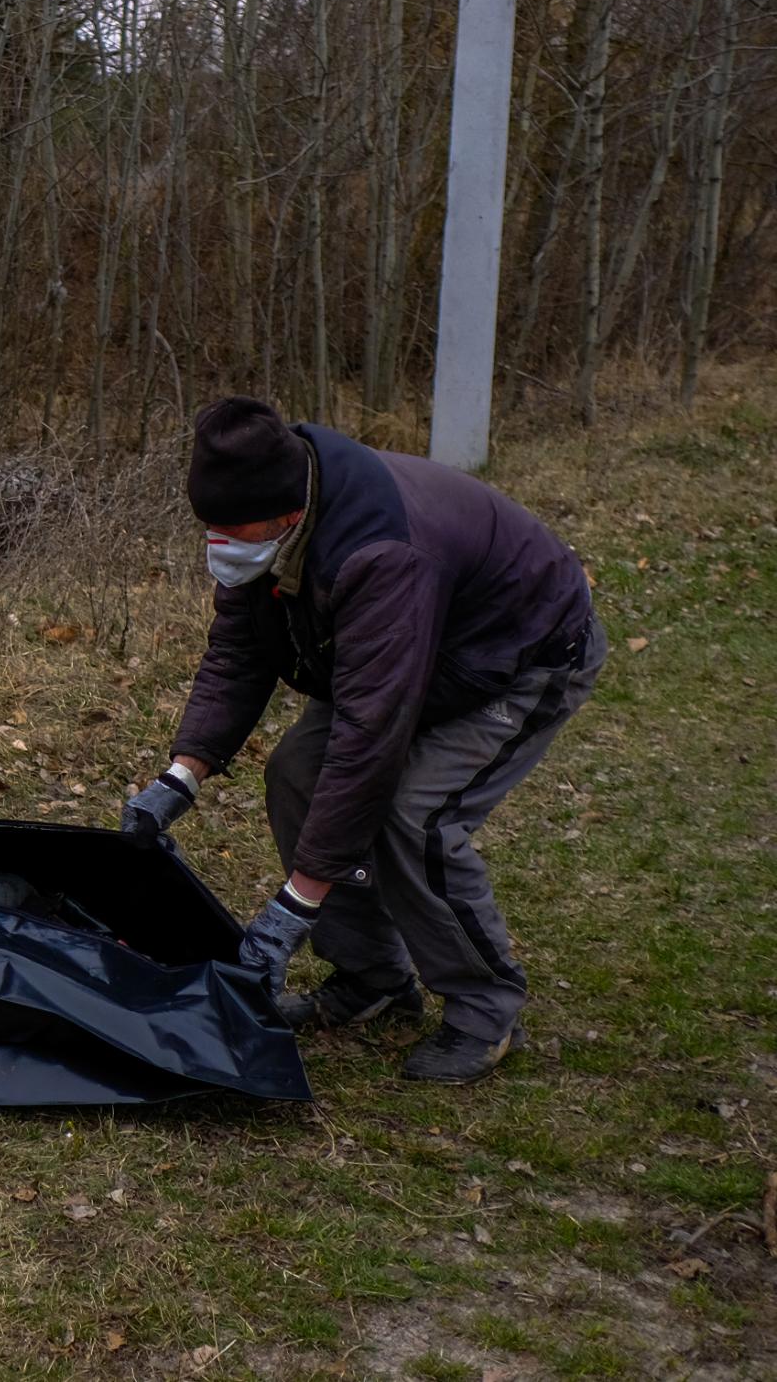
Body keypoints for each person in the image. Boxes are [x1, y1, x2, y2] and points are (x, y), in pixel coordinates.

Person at [122, 397, 603, 1084]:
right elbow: (237, 653)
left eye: (231, 528)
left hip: (517, 652)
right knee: (294, 772)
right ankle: (373, 978)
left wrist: (293, 906)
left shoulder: (382, 552)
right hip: (411, 651)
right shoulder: (262, 530)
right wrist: (179, 777)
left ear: (288, 515)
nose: (218, 543)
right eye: (209, 526)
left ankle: (485, 1006)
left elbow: (365, 740)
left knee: (416, 816)